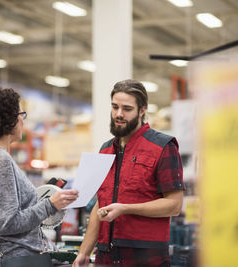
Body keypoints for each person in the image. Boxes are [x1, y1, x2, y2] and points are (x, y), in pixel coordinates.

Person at [73, 79, 185, 267]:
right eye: (115, 107)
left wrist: (126, 208)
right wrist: (84, 252)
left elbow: (174, 205)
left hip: (145, 257)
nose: (119, 114)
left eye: (127, 109)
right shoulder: (105, 150)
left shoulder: (163, 146)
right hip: (105, 256)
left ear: (142, 110)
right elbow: (100, 205)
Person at [0, 88, 78, 267]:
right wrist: (50, 205)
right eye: (21, 115)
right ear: (8, 119)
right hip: (15, 258)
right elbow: (6, 223)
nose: (22, 121)